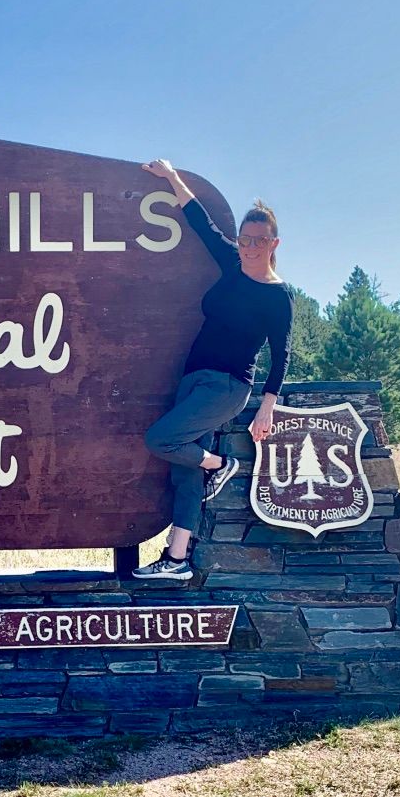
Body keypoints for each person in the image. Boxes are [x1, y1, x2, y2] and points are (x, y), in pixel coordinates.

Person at [133, 159, 293, 581]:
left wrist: (267, 407)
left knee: (160, 439)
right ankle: (178, 559)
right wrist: (171, 176)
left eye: (259, 241)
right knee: (185, 469)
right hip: (193, 379)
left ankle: (219, 465)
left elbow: (282, 354)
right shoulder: (231, 263)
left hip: (226, 387)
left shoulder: (279, 297)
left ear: (274, 243)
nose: (249, 247)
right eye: (245, 239)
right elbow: (199, 221)